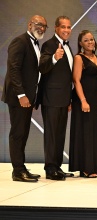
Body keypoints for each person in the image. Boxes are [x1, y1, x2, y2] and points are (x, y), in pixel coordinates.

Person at [2, 15, 47, 182]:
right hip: (18, 97)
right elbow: (13, 69)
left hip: (28, 98)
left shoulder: (35, 43)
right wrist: (21, 95)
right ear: (30, 24)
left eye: (44, 26)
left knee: (23, 133)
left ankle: (20, 168)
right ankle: (17, 171)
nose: (42, 28)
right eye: (39, 24)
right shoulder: (20, 41)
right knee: (18, 133)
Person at [69, 30, 97, 178]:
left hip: (96, 100)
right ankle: (85, 167)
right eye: (86, 40)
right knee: (85, 132)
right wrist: (83, 101)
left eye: (91, 39)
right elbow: (76, 80)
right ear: (80, 43)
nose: (90, 42)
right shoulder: (79, 58)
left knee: (95, 132)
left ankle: (95, 166)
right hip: (83, 100)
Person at [39, 16, 74, 181]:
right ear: (56, 28)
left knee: (60, 134)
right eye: (63, 27)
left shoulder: (68, 46)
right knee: (52, 134)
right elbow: (42, 66)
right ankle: (50, 168)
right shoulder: (49, 45)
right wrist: (54, 57)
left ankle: (57, 167)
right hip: (51, 98)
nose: (66, 30)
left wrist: (69, 99)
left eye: (69, 27)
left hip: (64, 98)